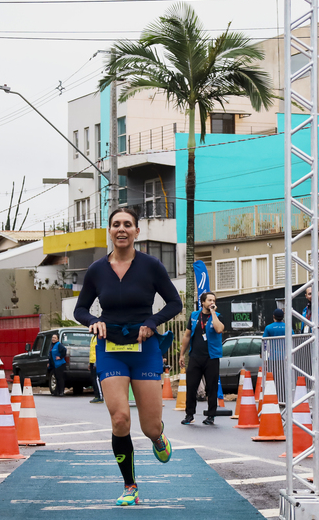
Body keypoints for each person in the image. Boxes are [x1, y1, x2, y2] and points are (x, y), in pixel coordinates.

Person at [74, 207, 183, 506]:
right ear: (109, 230)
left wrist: (151, 323)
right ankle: (129, 485)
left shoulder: (151, 266)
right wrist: (91, 322)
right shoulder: (97, 270)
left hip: (144, 349)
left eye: (127, 225)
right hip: (110, 350)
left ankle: (158, 438)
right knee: (120, 418)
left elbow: (175, 303)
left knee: (149, 426)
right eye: (116, 225)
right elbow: (80, 309)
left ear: (137, 231)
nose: (121, 229)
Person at [178, 291, 224, 426]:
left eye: (214, 300)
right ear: (202, 302)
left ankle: (211, 415)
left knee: (212, 387)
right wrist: (182, 354)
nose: (212, 303)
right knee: (191, 386)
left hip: (211, 357)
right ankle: (189, 414)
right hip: (195, 356)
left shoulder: (218, 316)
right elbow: (187, 336)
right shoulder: (194, 316)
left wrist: (213, 313)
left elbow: (219, 329)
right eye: (209, 300)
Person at [89, 334, 103, 403]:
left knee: (97, 379)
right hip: (92, 361)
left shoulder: (99, 336)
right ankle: (96, 395)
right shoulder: (93, 337)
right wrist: (90, 363)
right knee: (93, 379)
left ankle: (100, 397)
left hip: (96, 361)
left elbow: (100, 349)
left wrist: (96, 362)